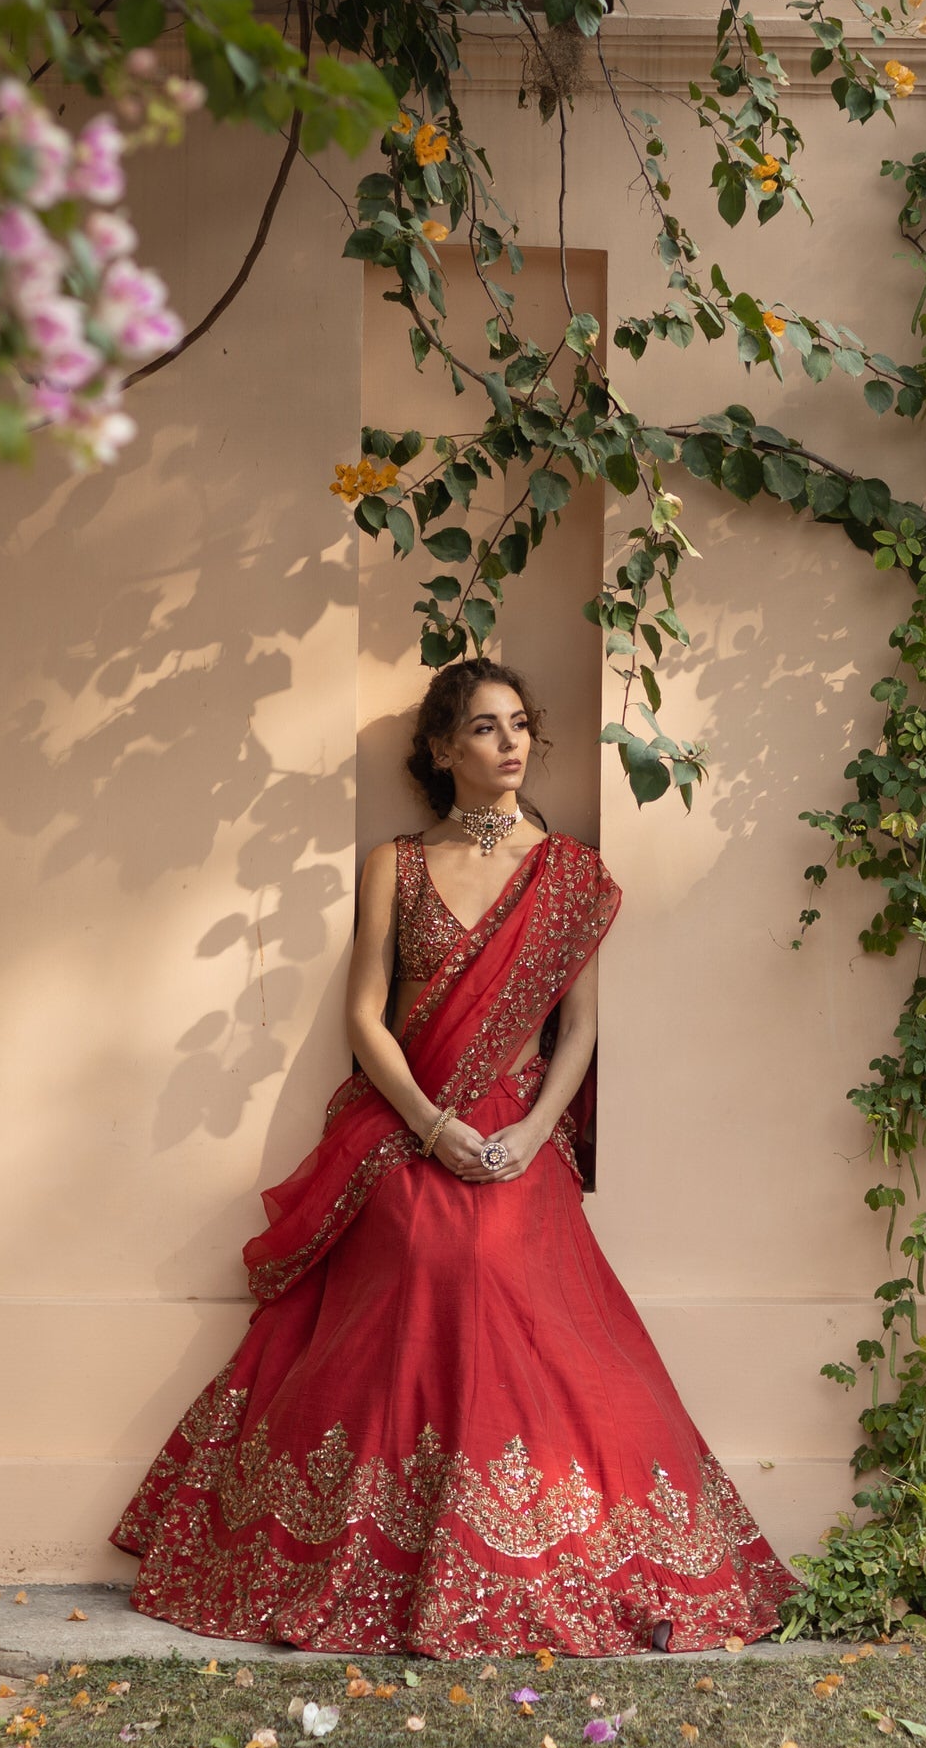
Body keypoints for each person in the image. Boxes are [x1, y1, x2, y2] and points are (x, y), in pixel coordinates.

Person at [113, 657, 795, 1655]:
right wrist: (432, 1125)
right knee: (425, 1244)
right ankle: (387, 1542)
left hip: (523, 1126)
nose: (511, 742)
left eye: (521, 723)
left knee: (496, 1258)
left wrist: (527, 1131)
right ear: (442, 749)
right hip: (405, 1122)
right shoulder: (395, 860)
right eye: (484, 727)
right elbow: (364, 1015)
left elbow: (580, 1029)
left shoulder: (568, 875)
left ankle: (533, 1545)